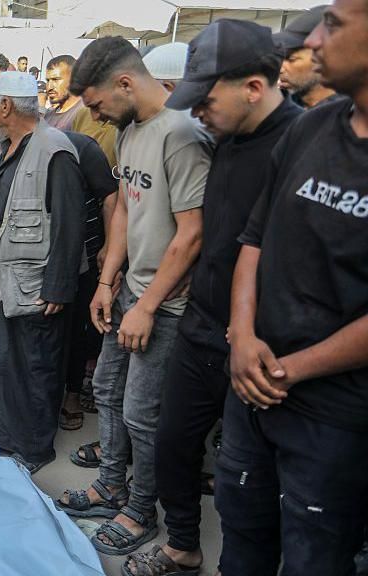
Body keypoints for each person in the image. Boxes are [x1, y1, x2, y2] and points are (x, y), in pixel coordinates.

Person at [119, 20, 302, 576]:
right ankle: (182, 544)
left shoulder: (302, 144)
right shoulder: (220, 138)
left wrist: (250, 329)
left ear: (254, 87)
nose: (197, 111)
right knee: (172, 444)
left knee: (247, 481)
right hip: (201, 325)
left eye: (207, 99)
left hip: (260, 344)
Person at [222, 1, 368, 573]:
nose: (316, 41)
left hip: (334, 415)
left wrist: (291, 369)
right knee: (242, 533)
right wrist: (242, 336)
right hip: (251, 389)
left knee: (314, 556)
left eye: (335, 24)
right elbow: (254, 239)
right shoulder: (310, 127)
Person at [55, 36, 211, 556]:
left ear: (125, 83)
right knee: (107, 389)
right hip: (131, 292)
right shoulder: (129, 130)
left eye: (97, 103)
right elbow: (124, 208)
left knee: (143, 412)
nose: (95, 115)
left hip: (164, 305)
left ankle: (142, 508)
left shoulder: (182, 133)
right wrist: (107, 281)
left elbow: (193, 232)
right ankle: (111, 485)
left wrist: (146, 306)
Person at [0, 72, 86, 473]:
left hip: (34, 283)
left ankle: (32, 449)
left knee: (32, 363)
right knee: (0, 358)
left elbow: (69, 225)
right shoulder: (8, 145)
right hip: (1, 274)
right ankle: (1, 432)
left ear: (6, 106)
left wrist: (58, 286)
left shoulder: (55, 151)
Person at [41, 53, 120, 431]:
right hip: (46, 251)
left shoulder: (83, 144)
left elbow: (110, 197)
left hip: (86, 251)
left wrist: (107, 247)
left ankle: (73, 393)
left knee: (76, 329)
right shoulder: (33, 139)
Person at [276, 5, 340, 108]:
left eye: (291, 59)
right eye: (280, 58)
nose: (280, 69)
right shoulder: (281, 108)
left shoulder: (353, 113)